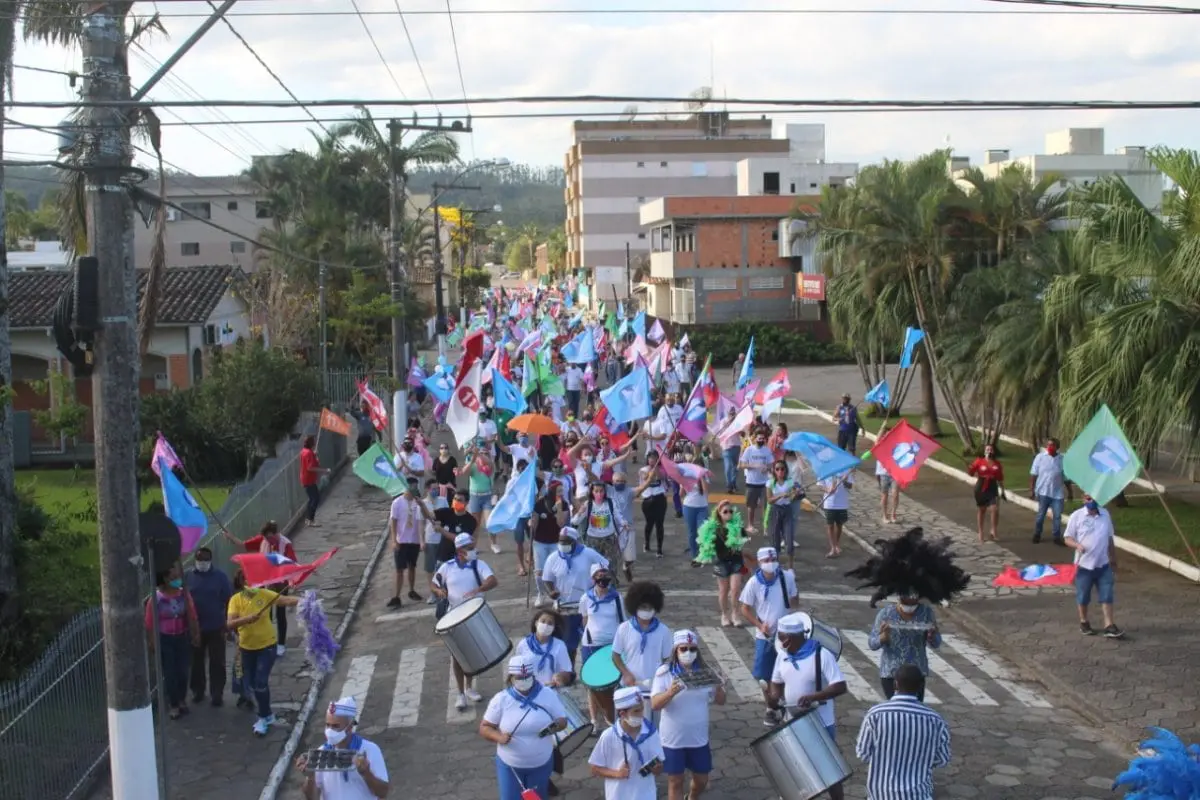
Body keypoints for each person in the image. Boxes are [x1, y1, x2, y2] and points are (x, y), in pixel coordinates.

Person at [769, 613, 848, 800]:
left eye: (780, 637)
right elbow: (776, 681)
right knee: (795, 768)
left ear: (790, 638)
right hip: (792, 721)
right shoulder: (783, 656)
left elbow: (840, 686)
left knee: (829, 773)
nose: (778, 641)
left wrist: (815, 696)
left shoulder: (822, 655)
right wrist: (774, 697)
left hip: (820, 723)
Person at [855, 664, 951, 800]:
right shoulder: (936, 720)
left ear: (895, 684)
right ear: (920, 687)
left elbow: (863, 754)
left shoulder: (875, 714)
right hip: (918, 795)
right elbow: (942, 759)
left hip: (881, 794)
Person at [226, 568, 303, 736]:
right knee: (253, 684)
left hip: (267, 646)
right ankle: (267, 714)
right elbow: (230, 624)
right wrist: (247, 619)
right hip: (246, 648)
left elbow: (285, 600)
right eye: (246, 579)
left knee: (260, 682)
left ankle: (262, 717)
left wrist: (305, 601)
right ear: (241, 582)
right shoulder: (235, 600)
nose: (251, 582)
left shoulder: (264, 594)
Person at [650, 630, 725, 800]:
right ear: (675, 650)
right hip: (673, 739)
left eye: (692, 649)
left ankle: (691, 797)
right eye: (683, 649)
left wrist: (719, 687)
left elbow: (721, 700)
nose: (688, 653)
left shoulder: (706, 671)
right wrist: (669, 693)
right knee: (675, 781)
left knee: (702, 779)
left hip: (698, 738)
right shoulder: (665, 672)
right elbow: (655, 704)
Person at [480, 655, 568, 800]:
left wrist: (555, 726)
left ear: (533, 676)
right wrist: (499, 737)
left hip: (540, 764)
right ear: (511, 678)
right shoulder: (501, 699)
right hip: (510, 767)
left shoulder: (548, 694)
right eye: (519, 677)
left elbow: (562, 720)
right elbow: (485, 727)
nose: (524, 680)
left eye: (527, 676)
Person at [431, 533, 500, 710]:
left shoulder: (479, 564)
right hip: (454, 616)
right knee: (457, 656)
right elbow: (434, 583)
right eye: (469, 548)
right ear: (460, 550)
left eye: (472, 547)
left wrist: (479, 589)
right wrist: (439, 592)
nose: (473, 550)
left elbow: (493, 581)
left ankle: (469, 688)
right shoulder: (447, 567)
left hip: (474, 614)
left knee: (472, 653)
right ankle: (460, 693)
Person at [514, 610, 576, 796]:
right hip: (528, 698)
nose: (546, 625)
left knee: (548, 742)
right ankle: (540, 779)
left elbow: (568, 673)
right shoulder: (523, 645)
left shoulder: (559, 646)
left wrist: (560, 677)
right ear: (535, 623)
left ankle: (544, 776)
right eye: (543, 621)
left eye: (550, 623)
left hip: (550, 699)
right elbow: (515, 672)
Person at [738, 546, 799, 726]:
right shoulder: (753, 583)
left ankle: (787, 706)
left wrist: (794, 595)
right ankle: (771, 707)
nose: (770, 564)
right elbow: (745, 609)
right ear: (759, 563)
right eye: (766, 561)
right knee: (764, 675)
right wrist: (759, 625)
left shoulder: (787, 577)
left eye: (773, 560)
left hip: (788, 635)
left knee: (789, 673)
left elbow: (795, 602)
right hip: (765, 636)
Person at [296, 696, 390, 799]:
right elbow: (311, 798)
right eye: (328, 725)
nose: (330, 731)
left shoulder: (370, 750)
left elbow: (383, 793)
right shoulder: (321, 753)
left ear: (349, 727)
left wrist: (367, 774)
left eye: (335, 726)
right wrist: (310, 777)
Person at [541, 526, 609, 665]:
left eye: (566, 542)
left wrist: (598, 583)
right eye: (560, 541)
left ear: (575, 541)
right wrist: (551, 592)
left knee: (592, 643)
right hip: (565, 610)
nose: (562, 545)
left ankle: (593, 671)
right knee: (568, 645)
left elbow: (605, 567)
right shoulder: (553, 558)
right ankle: (569, 672)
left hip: (589, 608)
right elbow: (547, 578)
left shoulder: (589, 554)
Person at [588, 686, 665, 799]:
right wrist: (617, 774)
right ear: (622, 714)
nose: (641, 715)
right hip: (618, 796)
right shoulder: (609, 736)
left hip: (646, 795)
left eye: (642, 709)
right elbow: (594, 768)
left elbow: (659, 764)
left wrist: (656, 768)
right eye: (636, 711)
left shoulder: (650, 732)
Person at [144, 563, 200, 720]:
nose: (177, 580)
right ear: (164, 579)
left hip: (182, 637)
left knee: (183, 671)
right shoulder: (156, 599)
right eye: (173, 578)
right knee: (170, 673)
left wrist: (195, 633)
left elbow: (192, 614)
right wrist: (152, 642)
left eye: (178, 577)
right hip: (165, 639)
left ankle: (182, 699)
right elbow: (149, 623)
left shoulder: (184, 595)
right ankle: (173, 704)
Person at [1064, 494, 1123, 638]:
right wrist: (1077, 545)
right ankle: (1084, 622)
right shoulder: (1076, 516)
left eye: (1094, 499)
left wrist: (1113, 559)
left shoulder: (1105, 515)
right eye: (1088, 499)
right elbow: (1067, 538)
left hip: (1103, 564)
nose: (1092, 502)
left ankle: (1109, 625)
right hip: (1083, 566)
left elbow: (1109, 538)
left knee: (1107, 594)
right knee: (1083, 596)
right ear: (1083, 500)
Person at [867, 594, 942, 701]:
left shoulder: (927, 613)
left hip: (916, 674)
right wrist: (883, 638)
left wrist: (932, 636)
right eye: (906, 602)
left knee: (915, 709)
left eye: (914, 602)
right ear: (899, 597)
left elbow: (937, 643)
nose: (910, 606)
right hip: (891, 674)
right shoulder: (885, 614)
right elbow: (872, 644)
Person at [186, 547, 232, 706]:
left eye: (205, 560)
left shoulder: (220, 577)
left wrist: (227, 622)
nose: (202, 563)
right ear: (195, 560)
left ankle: (217, 693)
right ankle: (197, 691)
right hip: (195, 628)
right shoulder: (188, 576)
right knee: (196, 662)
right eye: (200, 559)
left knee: (217, 662)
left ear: (210, 561)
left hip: (216, 626)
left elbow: (228, 600)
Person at [581, 563, 624, 730]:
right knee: (592, 683)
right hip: (591, 645)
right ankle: (594, 720)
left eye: (605, 575)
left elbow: (622, 621)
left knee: (612, 682)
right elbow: (585, 620)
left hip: (611, 646)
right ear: (593, 579)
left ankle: (612, 716)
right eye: (598, 576)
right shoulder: (586, 598)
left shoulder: (616, 598)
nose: (602, 579)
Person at [612, 582, 673, 698]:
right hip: (629, 687)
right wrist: (626, 673)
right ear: (635, 607)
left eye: (650, 607)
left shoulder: (664, 631)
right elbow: (615, 655)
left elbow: (667, 660)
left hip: (655, 689)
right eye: (643, 607)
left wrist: (661, 678)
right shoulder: (624, 628)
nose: (647, 611)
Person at [387, 477, 440, 609]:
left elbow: (428, 517)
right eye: (412, 486)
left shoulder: (418, 503)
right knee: (399, 569)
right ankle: (396, 596)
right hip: (402, 540)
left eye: (416, 486)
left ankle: (411, 590)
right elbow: (393, 522)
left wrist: (421, 504)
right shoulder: (397, 503)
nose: (415, 489)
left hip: (414, 540)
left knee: (412, 566)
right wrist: (394, 540)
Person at [697, 500, 750, 628]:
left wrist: (739, 541)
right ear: (719, 513)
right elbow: (707, 545)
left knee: (736, 589)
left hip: (736, 561)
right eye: (725, 511)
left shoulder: (738, 526)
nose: (728, 513)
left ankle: (735, 614)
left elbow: (744, 540)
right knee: (723, 591)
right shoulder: (713, 529)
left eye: (730, 511)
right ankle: (724, 614)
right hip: (721, 562)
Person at [573, 481, 630, 576]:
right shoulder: (588, 505)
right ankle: (595, 584)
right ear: (592, 492)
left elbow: (617, 515)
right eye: (596, 491)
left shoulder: (610, 503)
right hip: (593, 540)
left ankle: (611, 584)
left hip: (609, 539)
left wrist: (624, 523)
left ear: (605, 492)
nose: (599, 494)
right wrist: (579, 513)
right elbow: (575, 522)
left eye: (601, 491)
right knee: (593, 565)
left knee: (611, 564)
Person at [533, 482, 571, 607]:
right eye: (558, 491)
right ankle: (541, 593)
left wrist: (559, 509)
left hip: (556, 542)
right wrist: (531, 523)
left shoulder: (564, 504)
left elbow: (561, 524)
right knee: (539, 573)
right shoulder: (539, 504)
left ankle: (556, 596)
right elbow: (534, 525)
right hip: (540, 542)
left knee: (557, 572)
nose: (561, 494)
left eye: (562, 491)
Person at [1030, 437, 1073, 545]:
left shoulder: (1062, 459)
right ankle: (1037, 534)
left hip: (1057, 493)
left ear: (1057, 447)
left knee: (1057, 516)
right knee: (1041, 515)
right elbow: (1034, 474)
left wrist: (1070, 492)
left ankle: (1056, 537)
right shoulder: (1040, 457)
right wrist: (1032, 490)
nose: (1050, 447)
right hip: (1043, 491)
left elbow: (1066, 477)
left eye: (1052, 445)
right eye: (1048, 445)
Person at [766, 460, 802, 570]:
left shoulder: (790, 482)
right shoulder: (770, 483)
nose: (780, 471)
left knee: (789, 541)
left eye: (782, 468)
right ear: (774, 470)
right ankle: (776, 568)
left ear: (785, 470)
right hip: (775, 511)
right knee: (775, 541)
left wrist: (795, 494)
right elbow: (769, 500)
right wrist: (781, 495)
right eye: (777, 469)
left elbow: (791, 499)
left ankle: (790, 569)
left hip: (787, 511)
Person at [967, 443, 1005, 543]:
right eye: (987, 450)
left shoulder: (997, 464)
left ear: (994, 451)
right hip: (981, 488)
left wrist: (1003, 491)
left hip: (992, 487)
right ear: (984, 452)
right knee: (982, 510)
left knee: (994, 509)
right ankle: (980, 532)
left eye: (991, 450)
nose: (989, 451)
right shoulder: (979, 461)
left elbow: (1000, 479)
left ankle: (993, 530)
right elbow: (971, 473)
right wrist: (970, 468)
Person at [635, 450, 669, 558]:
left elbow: (661, 477)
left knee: (660, 524)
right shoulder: (642, 470)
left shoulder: (662, 470)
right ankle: (647, 542)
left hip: (660, 498)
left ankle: (659, 548)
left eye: (654, 458)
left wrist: (657, 469)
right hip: (647, 499)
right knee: (649, 523)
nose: (652, 460)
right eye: (650, 458)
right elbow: (645, 478)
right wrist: (651, 472)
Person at [738, 431, 773, 535]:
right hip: (751, 482)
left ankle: (766, 528)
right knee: (751, 506)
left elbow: (771, 464)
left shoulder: (767, 451)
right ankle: (750, 525)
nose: (761, 440)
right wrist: (754, 466)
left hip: (765, 483)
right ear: (755, 439)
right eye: (759, 438)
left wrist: (767, 467)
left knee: (766, 506)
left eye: (763, 438)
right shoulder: (749, 450)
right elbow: (742, 465)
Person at [680, 451, 709, 565]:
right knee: (692, 532)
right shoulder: (686, 476)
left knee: (702, 530)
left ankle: (703, 553)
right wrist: (683, 501)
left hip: (702, 507)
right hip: (689, 506)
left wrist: (701, 476)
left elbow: (706, 490)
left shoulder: (705, 476)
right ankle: (694, 556)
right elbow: (681, 493)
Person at [818, 470, 854, 558]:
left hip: (842, 503)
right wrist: (828, 489)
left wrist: (844, 480)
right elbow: (820, 485)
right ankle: (833, 548)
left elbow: (850, 486)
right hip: (829, 503)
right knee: (830, 525)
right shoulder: (825, 469)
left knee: (839, 524)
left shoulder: (846, 470)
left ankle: (836, 544)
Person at [300, 435, 330, 527]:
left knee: (312, 499)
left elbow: (315, 463)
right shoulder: (308, 453)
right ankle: (311, 519)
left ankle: (308, 519)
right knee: (315, 499)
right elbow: (310, 467)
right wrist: (324, 471)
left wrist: (315, 455)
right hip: (308, 480)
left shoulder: (305, 452)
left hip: (306, 478)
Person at [875, 425, 900, 524]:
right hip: (883, 473)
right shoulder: (880, 444)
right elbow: (877, 439)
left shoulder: (897, 445)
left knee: (895, 494)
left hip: (895, 473)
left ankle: (893, 514)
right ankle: (885, 515)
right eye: (887, 434)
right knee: (884, 495)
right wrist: (882, 427)